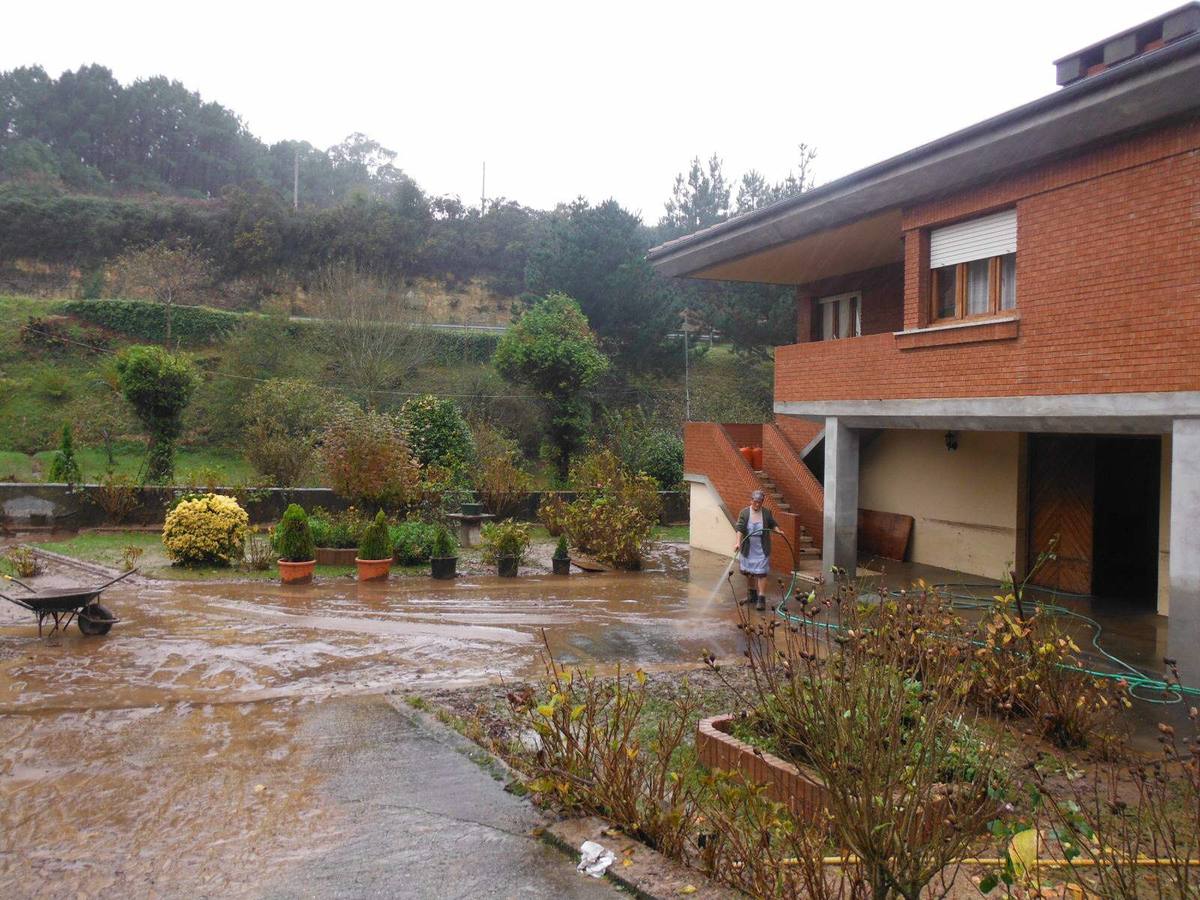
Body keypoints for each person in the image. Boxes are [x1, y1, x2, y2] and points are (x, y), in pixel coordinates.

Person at [734, 489, 779, 611]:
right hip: (748, 548)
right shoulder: (744, 513)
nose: (757, 504)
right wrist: (738, 542)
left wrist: (778, 530)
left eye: (760, 502)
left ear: (762, 502)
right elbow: (740, 529)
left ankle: (761, 598)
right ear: (751, 500)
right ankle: (752, 595)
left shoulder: (766, 513)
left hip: (762, 548)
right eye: (755, 502)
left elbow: (773, 524)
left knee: (761, 573)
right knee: (749, 573)